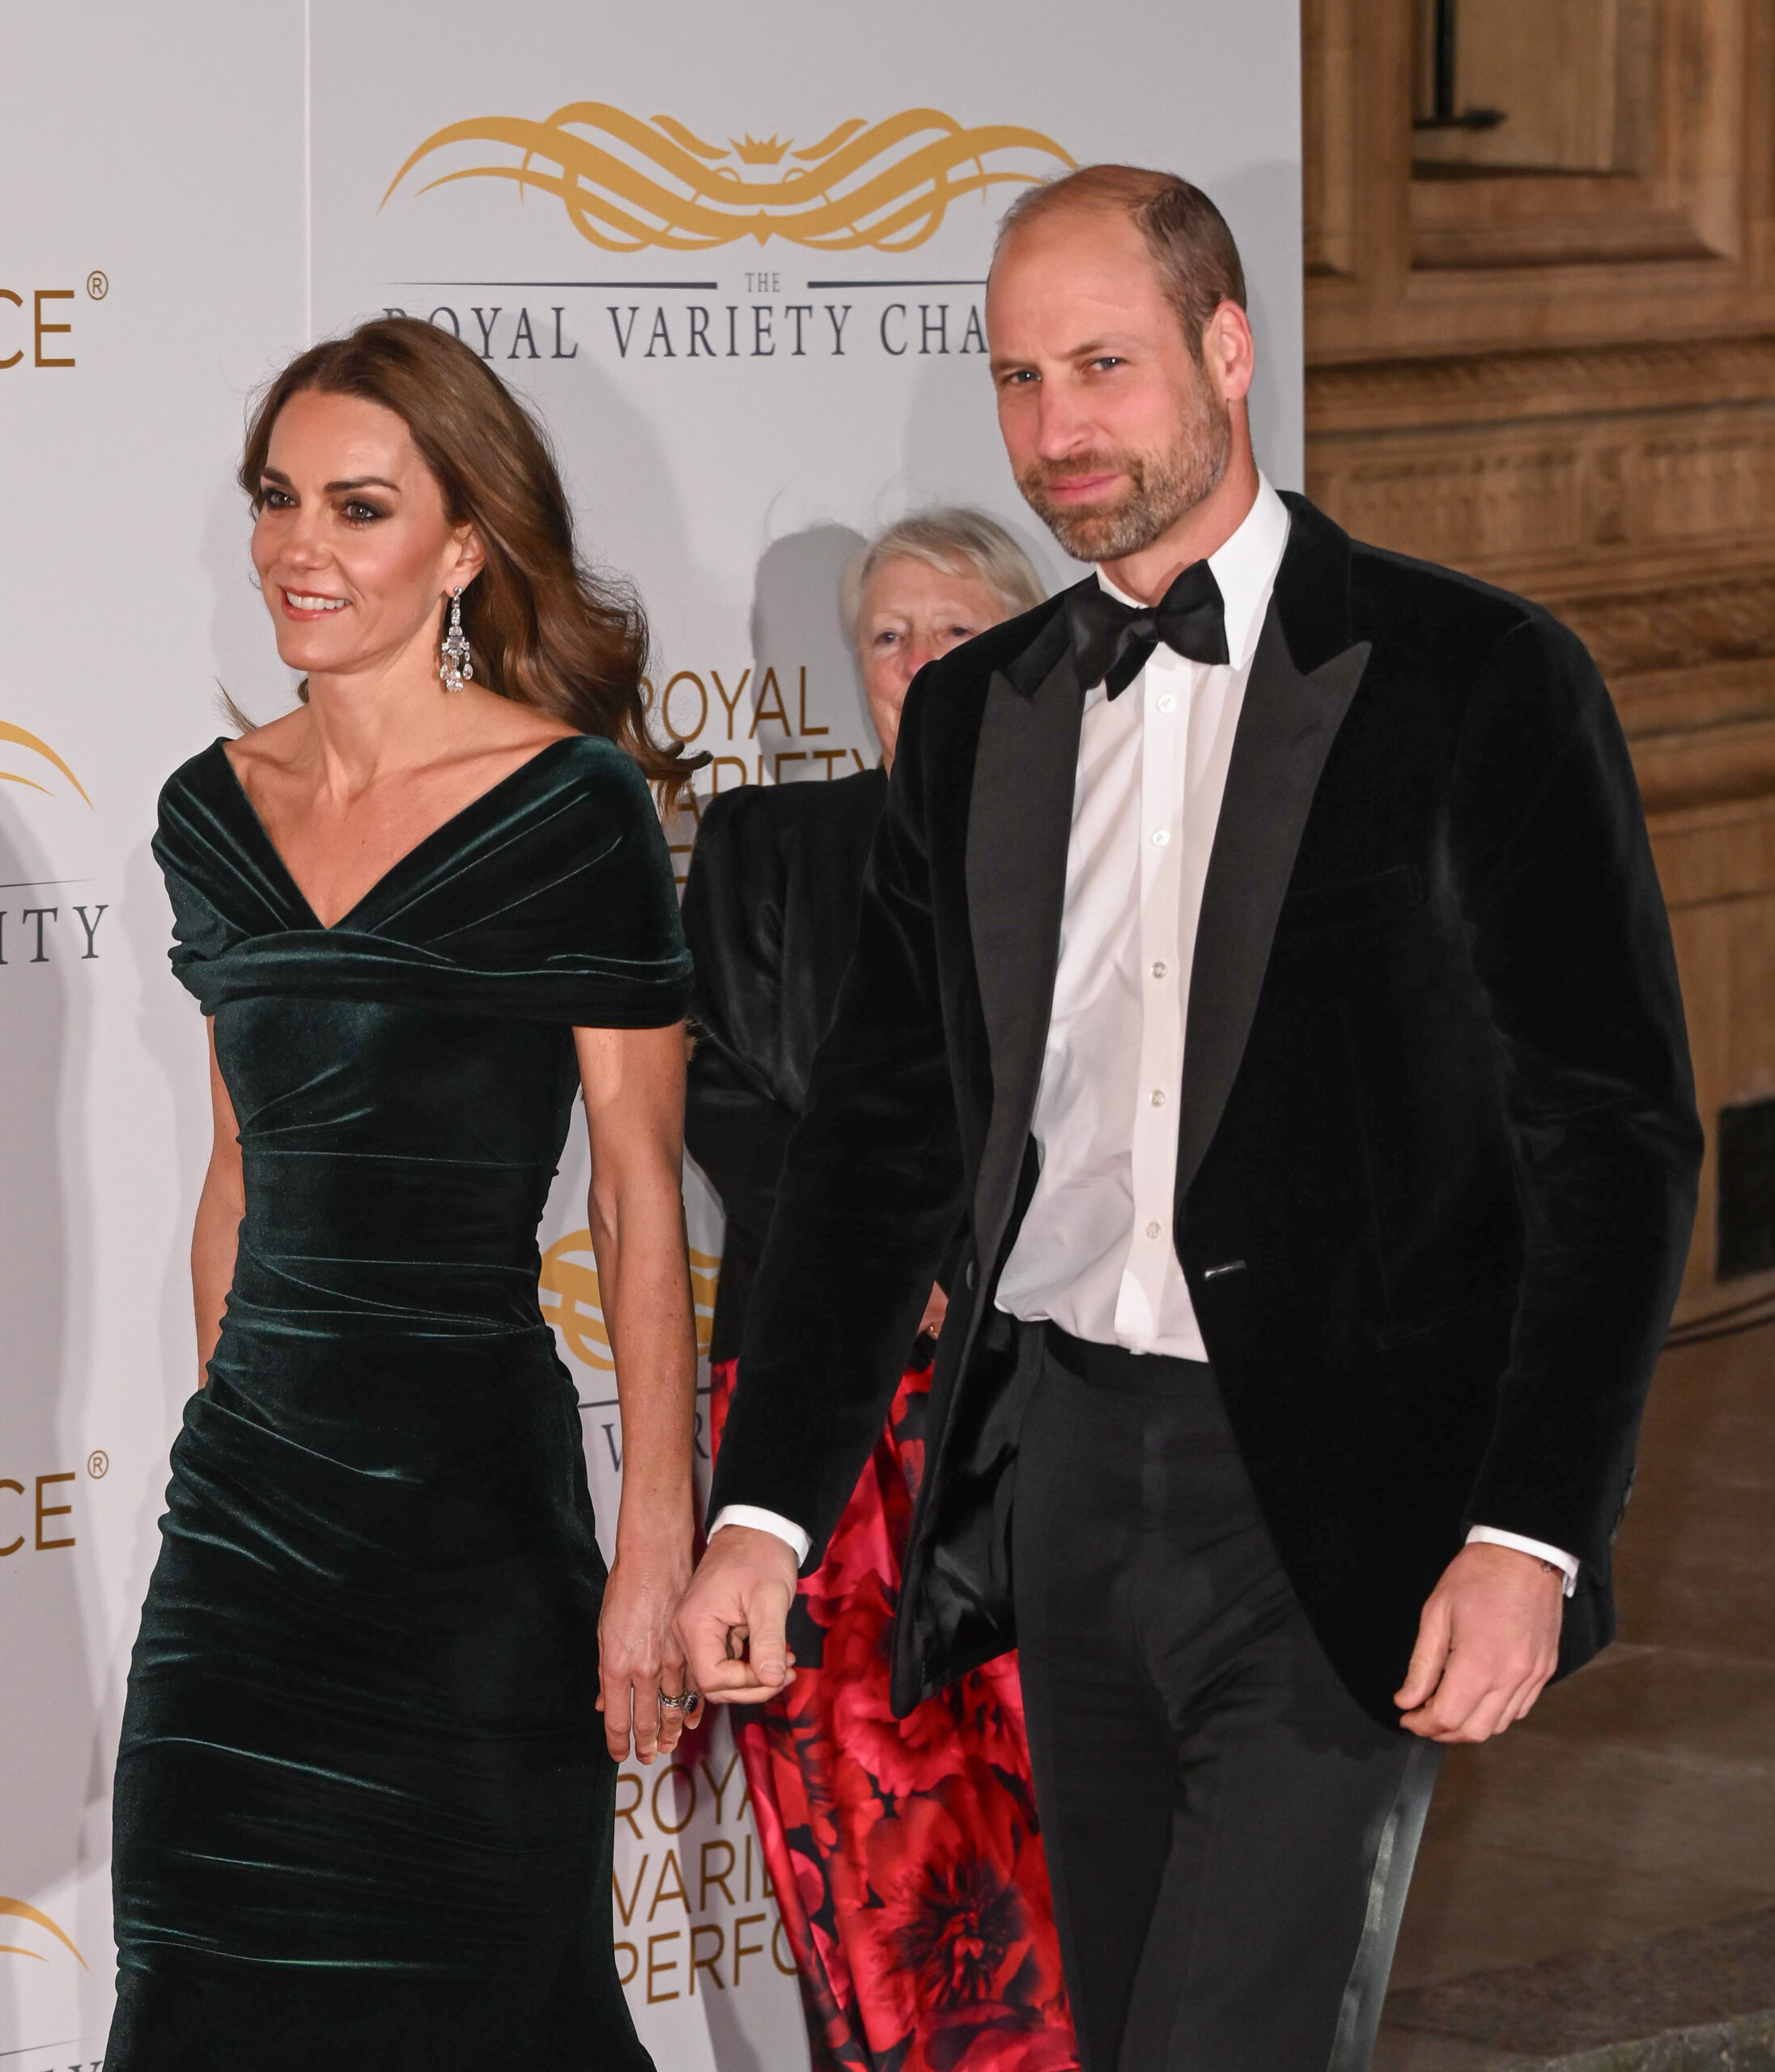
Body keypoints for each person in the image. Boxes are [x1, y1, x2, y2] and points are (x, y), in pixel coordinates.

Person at [677, 167, 1703, 2072]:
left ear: (1227, 353)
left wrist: (1528, 1527)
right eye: (1014, 380)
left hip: (1339, 1495)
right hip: (1065, 1480)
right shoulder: (979, 716)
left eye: (1102, 366)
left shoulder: (1473, 678)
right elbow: (881, 1142)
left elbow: (1611, 1131)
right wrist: (763, 1513)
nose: (1056, 430)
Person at [109, 316, 700, 2070]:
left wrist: (650, 1542)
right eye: (278, 499)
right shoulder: (208, 812)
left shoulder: (571, 807)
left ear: (461, 548)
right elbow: (236, 1173)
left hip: (470, 1537)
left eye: (358, 508)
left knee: (489, 2004)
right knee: (202, 2003)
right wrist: (228, 1428)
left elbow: (640, 1190)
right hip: (244, 1544)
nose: (300, 545)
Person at [683, 512, 1075, 2072]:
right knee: (869, 1844)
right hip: (822, 1436)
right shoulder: (767, 850)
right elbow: (720, 1101)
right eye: (887, 636)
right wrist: (890, 1268)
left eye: (953, 628)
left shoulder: (1104, 840)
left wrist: (971, 1270)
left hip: (1042, 1405)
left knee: (1068, 1830)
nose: (916, 661)